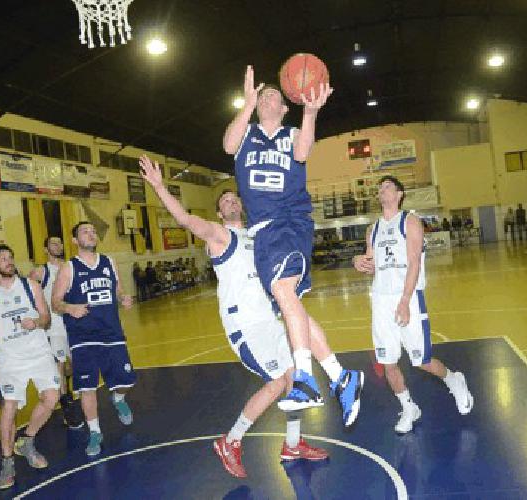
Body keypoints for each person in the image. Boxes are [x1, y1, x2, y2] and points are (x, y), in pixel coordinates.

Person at [141, 156, 330, 478]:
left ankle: (293, 444)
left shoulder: (258, 238)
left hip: (271, 321)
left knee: (296, 381)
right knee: (278, 382)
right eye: (225, 201)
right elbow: (187, 221)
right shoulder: (219, 235)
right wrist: (160, 187)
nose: (231, 202)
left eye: (234, 199)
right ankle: (231, 441)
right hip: (247, 326)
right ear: (219, 212)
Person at [222, 64, 363, 426]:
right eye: (264, 96)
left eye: (275, 97)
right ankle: (340, 377)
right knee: (291, 305)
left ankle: (303, 377)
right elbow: (226, 144)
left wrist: (311, 111)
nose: (269, 98)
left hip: (288, 223)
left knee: (283, 290)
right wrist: (246, 103)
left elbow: (302, 153)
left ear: (286, 108)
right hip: (263, 233)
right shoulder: (246, 135)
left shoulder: (292, 133)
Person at [352, 176, 474, 433]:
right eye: (380, 188)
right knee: (388, 363)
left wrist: (405, 300)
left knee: (421, 361)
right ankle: (409, 408)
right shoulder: (371, 230)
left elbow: (414, 263)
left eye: (387, 187)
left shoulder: (410, 221)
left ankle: (454, 380)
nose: (381, 190)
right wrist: (359, 261)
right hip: (381, 300)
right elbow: (372, 264)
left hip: (408, 296)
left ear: (399, 194)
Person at [0, 244, 59, 490]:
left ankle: (28, 440)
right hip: (10, 360)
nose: (9, 261)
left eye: (10, 257)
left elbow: (47, 318)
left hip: (39, 353)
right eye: (3, 259)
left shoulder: (30, 286)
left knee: (51, 398)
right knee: (9, 409)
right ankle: (7, 461)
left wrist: (37, 322)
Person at [51, 221, 137, 457]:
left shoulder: (109, 262)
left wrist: (123, 298)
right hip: (83, 337)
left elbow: (117, 288)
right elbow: (55, 303)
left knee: (127, 380)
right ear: (75, 241)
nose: (90, 233)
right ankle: (95, 432)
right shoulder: (69, 268)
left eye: (92, 231)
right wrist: (70, 308)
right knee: (87, 388)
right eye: (84, 232)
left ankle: (118, 398)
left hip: (111, 332)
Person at [28, 236, 86, 430]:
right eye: (53, 243)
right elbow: (28, 296)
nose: (58, 246)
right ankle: (67, 406)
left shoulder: (71, 267)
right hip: (55, 328)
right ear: (45, 249)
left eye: (60, 243)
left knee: (75, 366)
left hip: (75, 324)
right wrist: (38, 320)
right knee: (60, 366)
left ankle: (65, 391)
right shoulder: (40, 271)